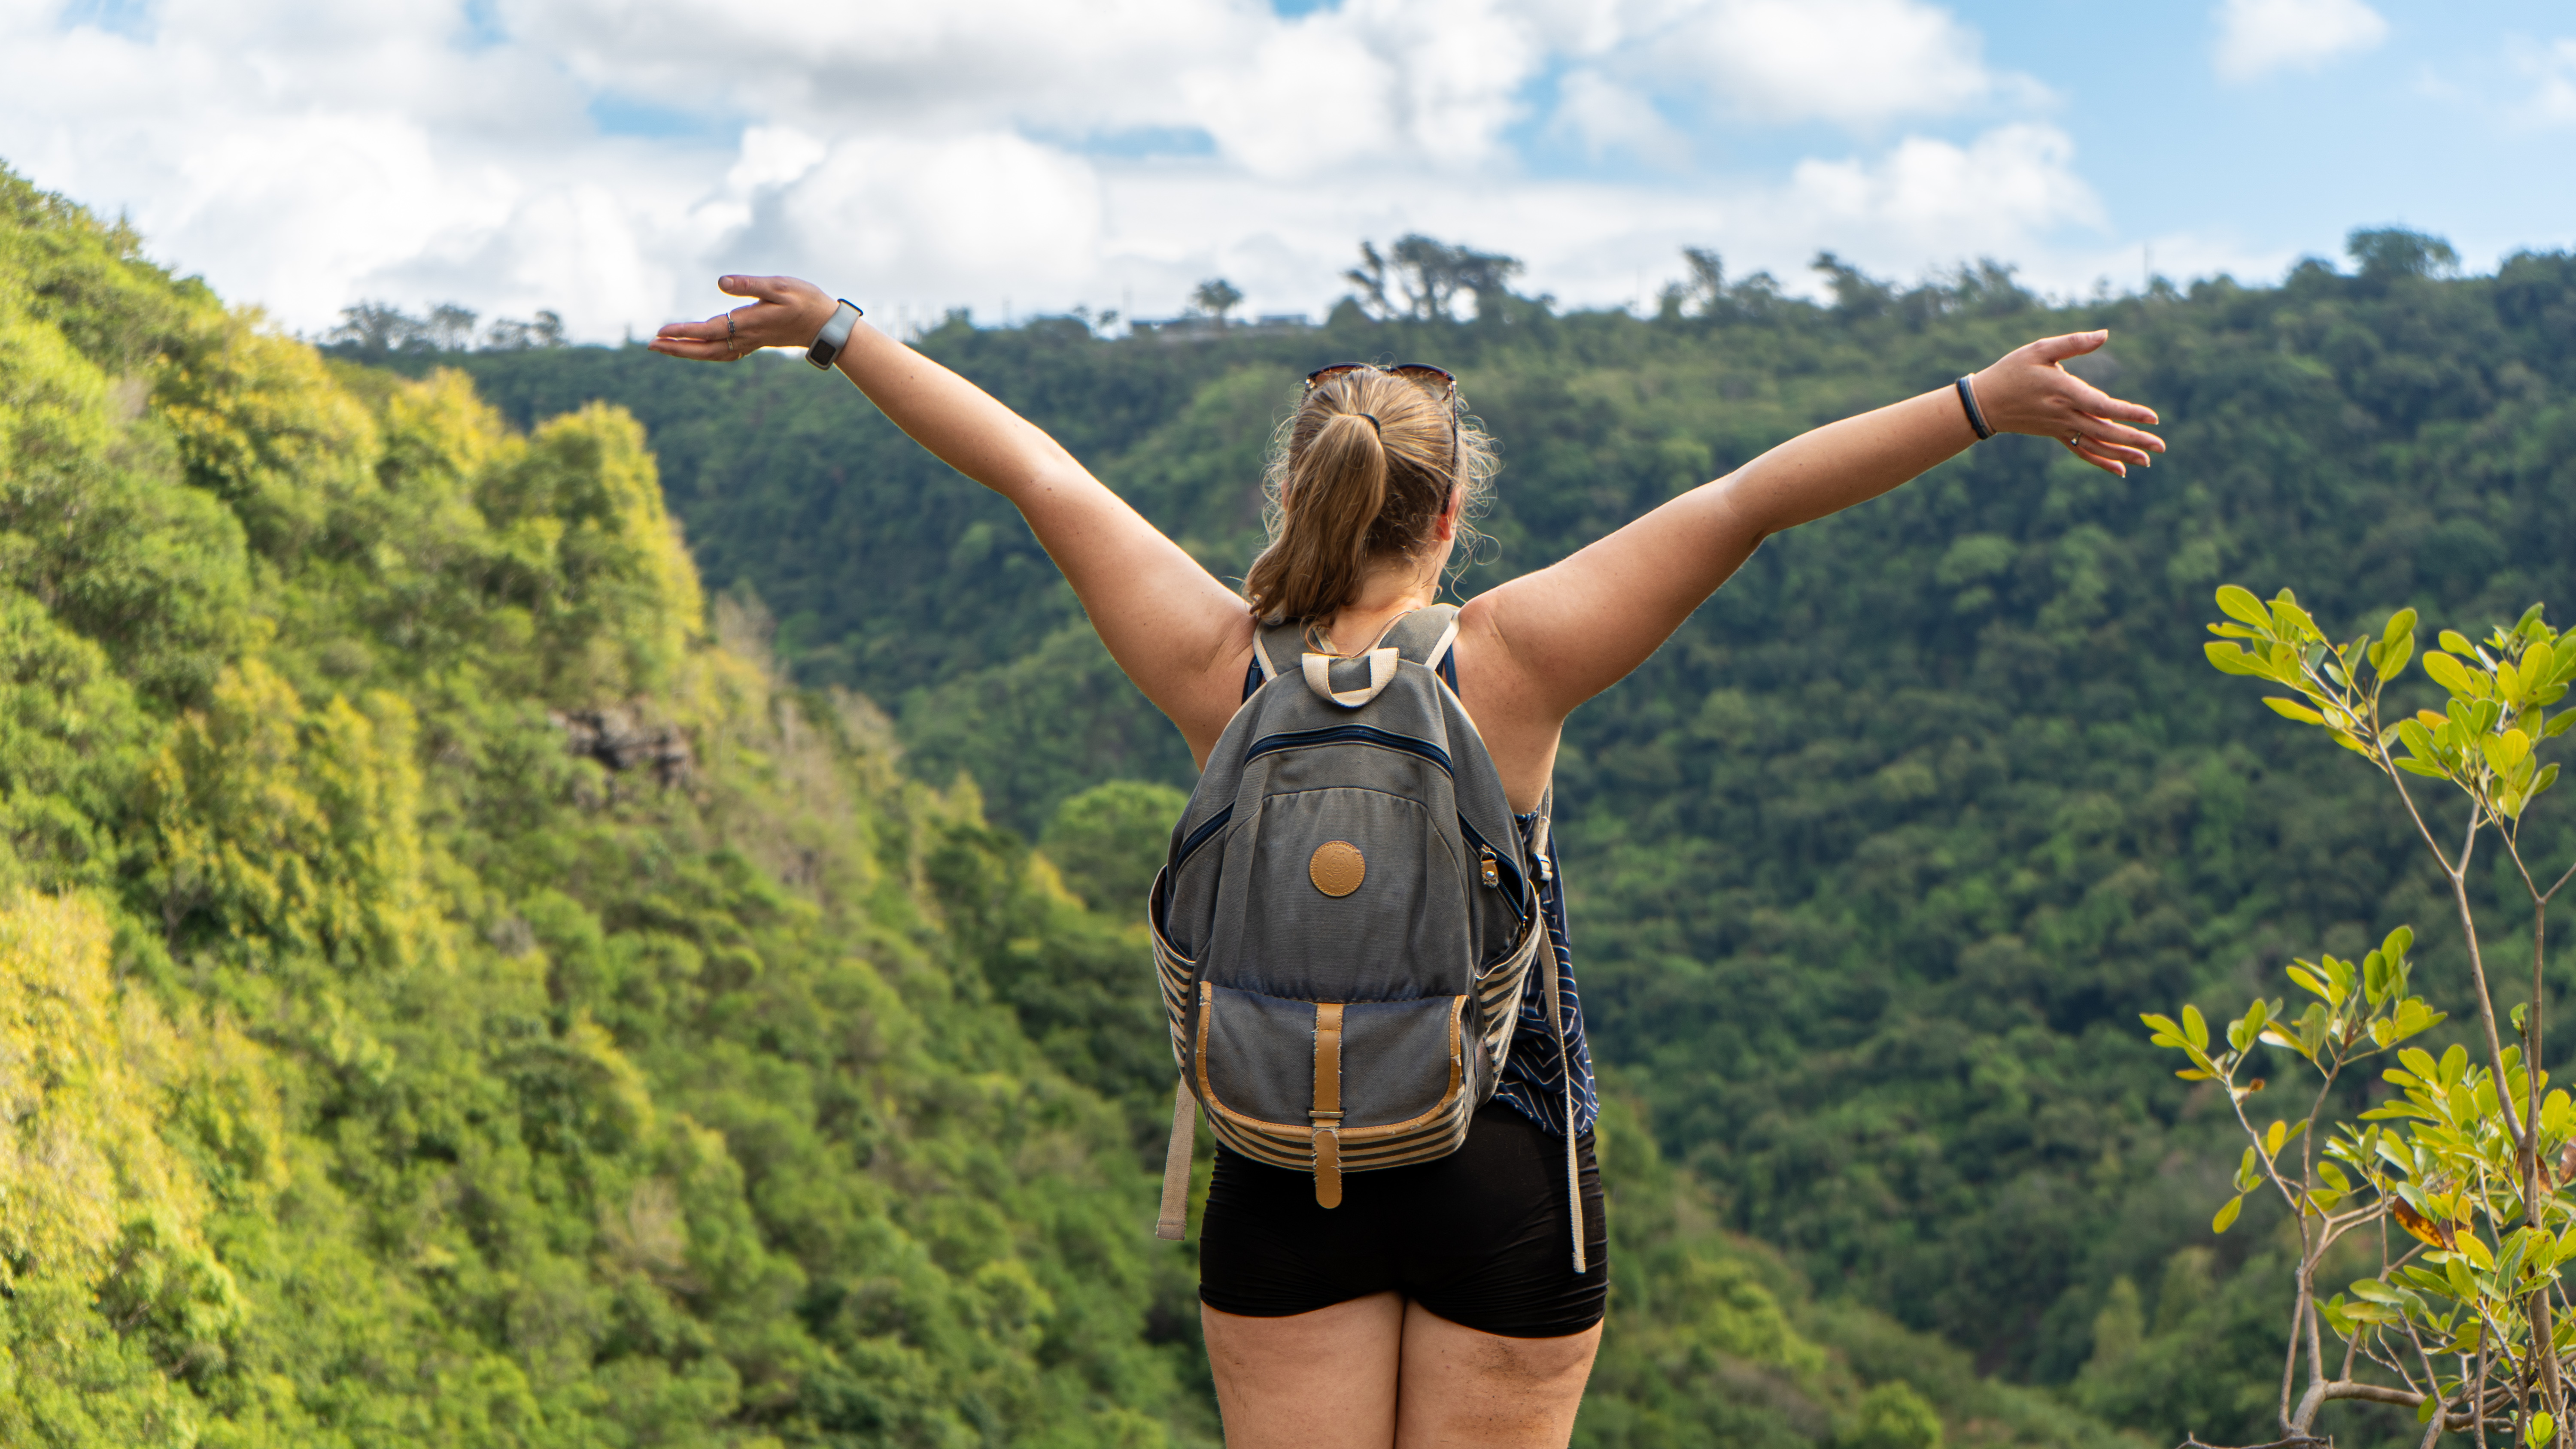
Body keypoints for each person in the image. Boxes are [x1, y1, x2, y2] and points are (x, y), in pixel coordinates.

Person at [650, 275, 2165, 1448]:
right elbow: (1751, 498)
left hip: (1279, 1151)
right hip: (1501, 1154)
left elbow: (1036, 472)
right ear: (1449, 514)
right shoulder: (1511, 659)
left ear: (1297, 502)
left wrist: (841, 330)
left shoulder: (1215, 664)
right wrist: (1980, 400)